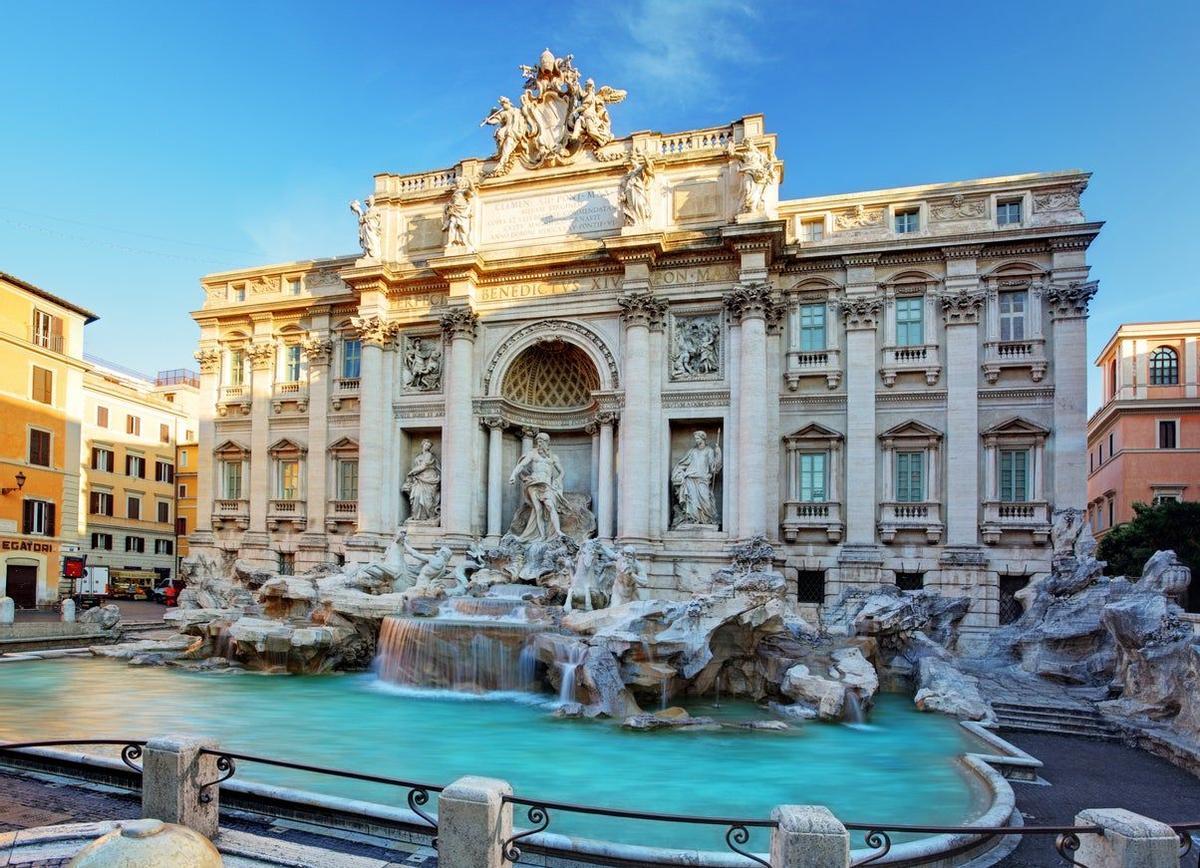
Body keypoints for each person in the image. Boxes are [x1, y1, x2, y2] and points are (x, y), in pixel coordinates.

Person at [508, 432, 568, 541]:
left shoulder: (554, 457)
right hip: (534, 483)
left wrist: (558, 479)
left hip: (546, 484)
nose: (539, 444)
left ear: (547, 442)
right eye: (538, 441)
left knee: (550, 506)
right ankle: (541, 535)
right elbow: (521, 465)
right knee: (538, 509)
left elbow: (562, 471)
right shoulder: (532, 453)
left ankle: (558, 531)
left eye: (542, 441)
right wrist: (513, 475)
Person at [671, 430, 723, 526]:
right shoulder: (692, 451)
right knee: (692, 502)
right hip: (690, 478)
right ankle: (692, 519)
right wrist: (679, 472)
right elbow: (683, 464)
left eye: (698, 438)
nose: (696, 440)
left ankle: (706, 520)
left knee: (706, 500)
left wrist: (718, 454)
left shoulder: (709, 451)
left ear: (703, 439)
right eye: (695, 438)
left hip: (703, 479)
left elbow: (713, 467)